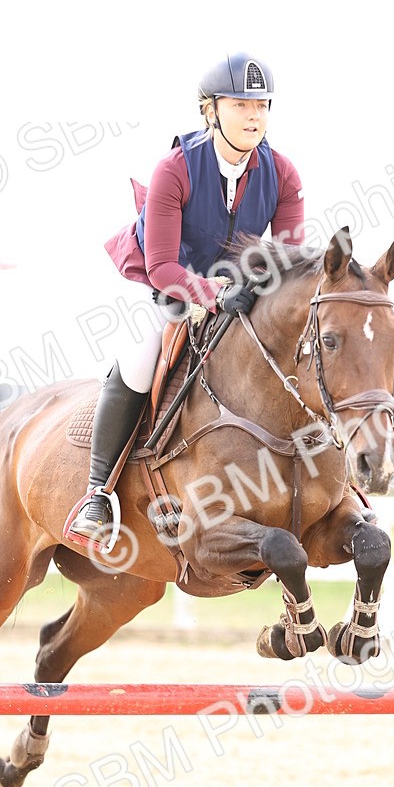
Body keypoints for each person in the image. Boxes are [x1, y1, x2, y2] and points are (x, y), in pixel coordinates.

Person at [67, 52, 305, 542]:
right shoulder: (174, 169)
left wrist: (255, 291)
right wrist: (213, 295)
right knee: (140, 357)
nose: (254, 115)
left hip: (232, 285)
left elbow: (286, 259)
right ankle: (97, 494)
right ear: (210, 111)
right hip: (163, 278)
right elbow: (162, 266)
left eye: (262, 105)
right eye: (240, 104)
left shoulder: (282, 175)